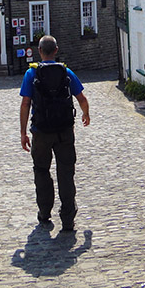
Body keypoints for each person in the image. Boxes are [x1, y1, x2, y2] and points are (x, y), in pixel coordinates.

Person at [20, 35, 90, 232]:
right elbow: (81, 98)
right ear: (56, 50)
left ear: (40, 51)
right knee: (66, 172)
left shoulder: (31, 74)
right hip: (64, 131)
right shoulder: (66, 72)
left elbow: (25, 103)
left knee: (41, 171)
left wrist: (23, 132)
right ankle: (68, 219)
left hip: (41, 131)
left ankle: (44, 212)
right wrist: (86, 113)